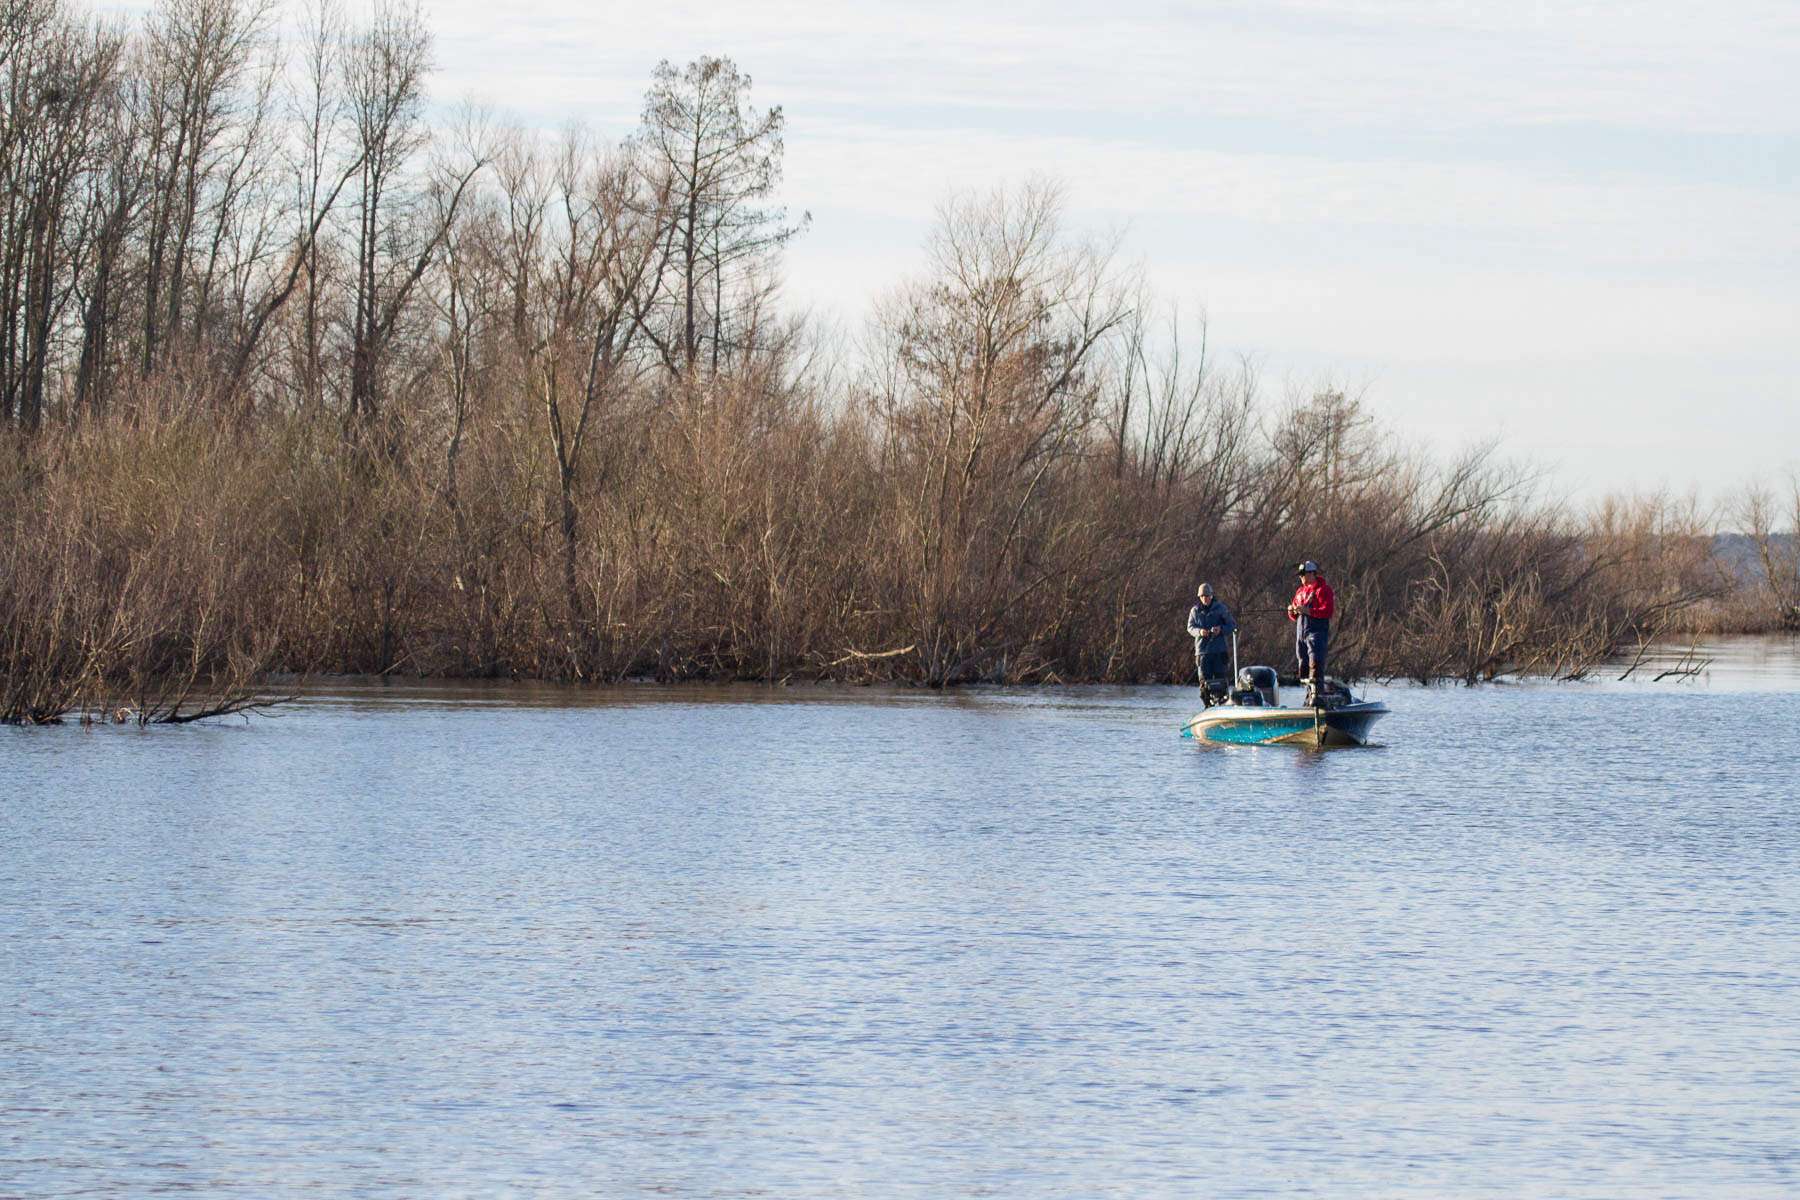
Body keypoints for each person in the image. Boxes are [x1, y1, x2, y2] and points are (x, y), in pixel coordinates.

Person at [1287, 560, 1335, 695]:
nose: (1301, 577)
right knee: (1303, 667)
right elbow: (1294, 616)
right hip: (1301, 634)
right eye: (1300, 575)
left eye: (1303, 574)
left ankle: (1318, 696)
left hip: (1316, 633)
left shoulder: (1324, 590)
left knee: (1316, 665)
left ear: (1312, 574)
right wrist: (1292, 611)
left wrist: (1308, 611)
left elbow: (1328, 612)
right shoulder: (1300, 591)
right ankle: (1309, 696)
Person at [1186, 583, 1237, 703]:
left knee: (1221, 682)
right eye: (1202, 596)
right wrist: (1200, 632)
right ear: (1199, 597)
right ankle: (1207, 705)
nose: (1205, 598)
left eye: (1207, 596)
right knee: (1204, 683)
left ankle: (1222, 704)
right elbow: (1190, 628)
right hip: (1202, 653)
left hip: (1219, 652)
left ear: (1212, 596)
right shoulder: (1195, 611)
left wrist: (1221, 629)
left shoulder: (1221, 608)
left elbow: (1232, 625)